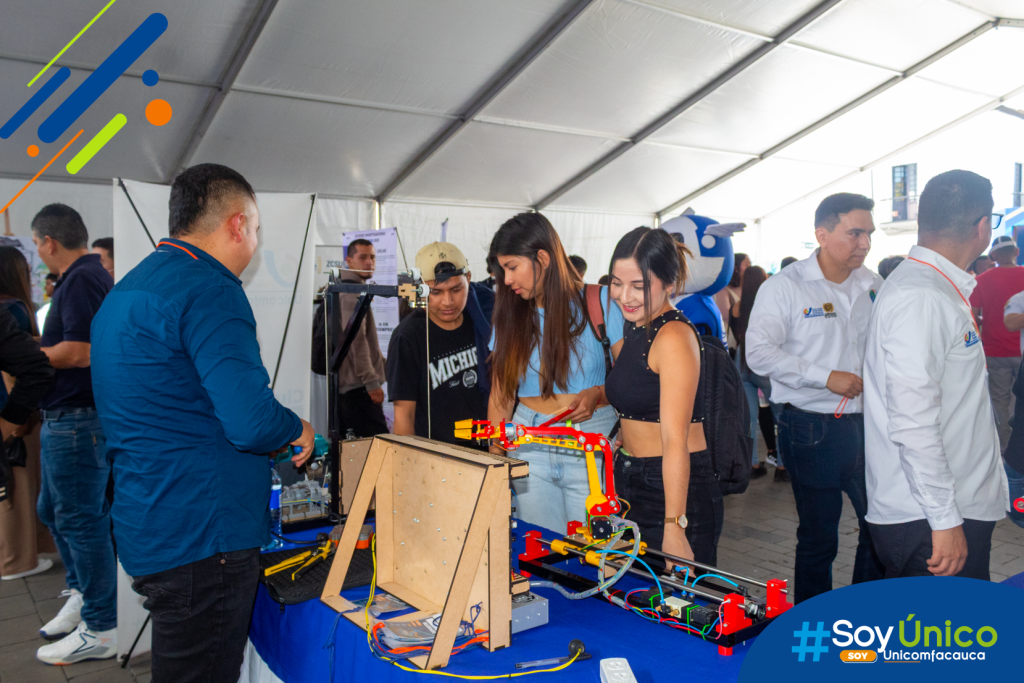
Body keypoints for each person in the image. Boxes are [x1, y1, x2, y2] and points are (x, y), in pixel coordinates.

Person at [91, 163, 314, 683]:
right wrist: (298, 428)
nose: (256, 242)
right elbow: (251, 421)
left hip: (151, 518)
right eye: (256, 228)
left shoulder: (129, 289)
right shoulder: (211, 290)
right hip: (202, 536)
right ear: (237, 224)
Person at [864, 169, 1008, 579]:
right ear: (983, 226)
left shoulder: (936, 288)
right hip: (929, 518)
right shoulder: (920, 296)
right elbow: (914, 421)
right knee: (936, 643)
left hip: (946, 508)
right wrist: (944, 520)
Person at [746, 192, 885, 604]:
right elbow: (759, 354)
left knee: (880, 526)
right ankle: (813, 627)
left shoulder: (874, 284)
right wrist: (826, 377)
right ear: (822, 235)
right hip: (811, 428)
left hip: (869, 426)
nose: (865, 243)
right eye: (855, 232)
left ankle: (863, 616)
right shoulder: (784, 288)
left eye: (869, 234)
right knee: (819, 538)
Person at [488, 213, 623, 532]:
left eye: (512, 267)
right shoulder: (510, 312)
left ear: (543, 258)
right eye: (502, 269)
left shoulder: (601, 301)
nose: (507, 280)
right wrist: (495, 454)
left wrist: (600, 393)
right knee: (539, 554)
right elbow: (502, 392)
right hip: (527, 442)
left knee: (596, 556)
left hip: (592, 441)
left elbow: (630, 380)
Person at [605, 227, 722, 566]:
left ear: (669, 284)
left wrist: (675, 526)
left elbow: (675, 441)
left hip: (670, 491)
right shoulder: (639, 325)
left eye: (639, 286)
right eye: (617, 282)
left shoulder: (672, 335)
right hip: (633, 480)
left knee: (678, 608)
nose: (624, 296)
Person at [30, 204, 116, 662]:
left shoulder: (83, 278)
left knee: (82, 520)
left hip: (79, 418)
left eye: (37, 244)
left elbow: (80, 352)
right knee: (57, 511)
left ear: (48, 242)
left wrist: (30, 356)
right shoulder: (83, 276)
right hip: (71, 418)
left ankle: (103, 625)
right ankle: (85, 595)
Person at [386, 242, 491, 446]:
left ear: (468, 279)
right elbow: (404, 417)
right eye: (436, 292)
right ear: (420, 290)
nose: (448, 301)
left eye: (456, 289)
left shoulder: (481, 321)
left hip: (484, 453)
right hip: (437, 462)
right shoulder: (407, 337)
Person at [0, 248, 55, 581]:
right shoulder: (14, 309)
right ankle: (16, 561)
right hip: (14, 413)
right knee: (16, 492)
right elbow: (27, 369)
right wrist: (13, 419)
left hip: (13, 412)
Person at [731, 266, 786, 482]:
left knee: (749, 419)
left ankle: (752, 463)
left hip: (742, 363)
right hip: (764, 363)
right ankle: (782, 467)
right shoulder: (768, 306)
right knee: (781, 416)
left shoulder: (737, 307)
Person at [970, 233, 1024, 451]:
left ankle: (1006, 449)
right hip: (1021, 354)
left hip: (995, 351)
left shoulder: (980, 281)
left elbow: (971, 317)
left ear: (992, 255)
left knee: (1000, 402)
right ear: (1017, 252)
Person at [336, 239, 388, 437]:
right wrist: (371, 383)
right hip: (358, 390)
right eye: (363, 257)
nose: (369, 262)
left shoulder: (352, 288)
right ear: (349, 260)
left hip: (355, 388)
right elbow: (356, 341)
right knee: (378, 450)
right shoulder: (351, 293)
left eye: (372, 257)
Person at [714, 252, 748, 351]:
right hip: (733, 340)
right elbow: (726, 315)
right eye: (747, 264)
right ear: (736, 267)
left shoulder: (745, 288)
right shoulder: (724, 290)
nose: (750, 267)